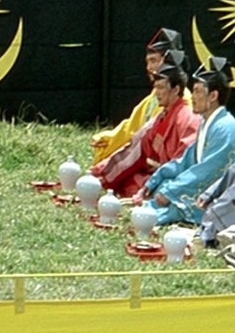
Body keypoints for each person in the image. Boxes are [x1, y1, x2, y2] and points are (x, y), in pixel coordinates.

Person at [133, 56, 235, 225]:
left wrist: (171, 191)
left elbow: (209, 170)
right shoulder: (208, 123)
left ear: (213, 95)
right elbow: (186, 161)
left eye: (197, 91)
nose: (192, 96)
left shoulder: (226, 127)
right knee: (163, 185)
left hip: (221, 193)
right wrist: (155, 180)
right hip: (205, 183)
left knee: (172, 198)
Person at [91, 49, 200, 197]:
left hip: (181, 181)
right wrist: (101, 172)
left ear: (176, 89)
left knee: (150, 189)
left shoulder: (188, 118)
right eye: (156, 87)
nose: (157, 93)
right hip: (159, 173)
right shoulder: (162, 115)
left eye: (161, 88)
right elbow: (137, 146)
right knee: (129, 180)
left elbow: (186, 164)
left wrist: (156, 181)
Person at [91, 28, 191, 165]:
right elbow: (131, 127)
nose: (149, 67)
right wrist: (110, 139)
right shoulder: (153, 97)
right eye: (147, 62)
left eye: (154, 61)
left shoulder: (183, 101)